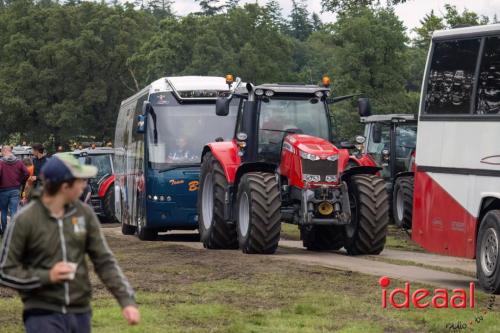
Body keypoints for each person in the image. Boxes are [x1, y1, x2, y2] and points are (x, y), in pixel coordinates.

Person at [0, 153, 140, 332]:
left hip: (80, 313)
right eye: (79, 181)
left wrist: (126, 301)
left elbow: (104, 260)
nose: (84, 185)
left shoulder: (84, 214)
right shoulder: (25, 219)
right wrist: (47, 276)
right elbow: (5, 271)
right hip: (42, 314)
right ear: (65, 186)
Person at [0, 146, 29, 234]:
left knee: (4, 211)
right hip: (15, 190)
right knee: (13, 211)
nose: (1, 153)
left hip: (3, 190)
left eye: (1, 151)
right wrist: (19, 180)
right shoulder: (19, 162)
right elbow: (26, 173)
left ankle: (4, 232)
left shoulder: (1, 162)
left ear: (5, 151)